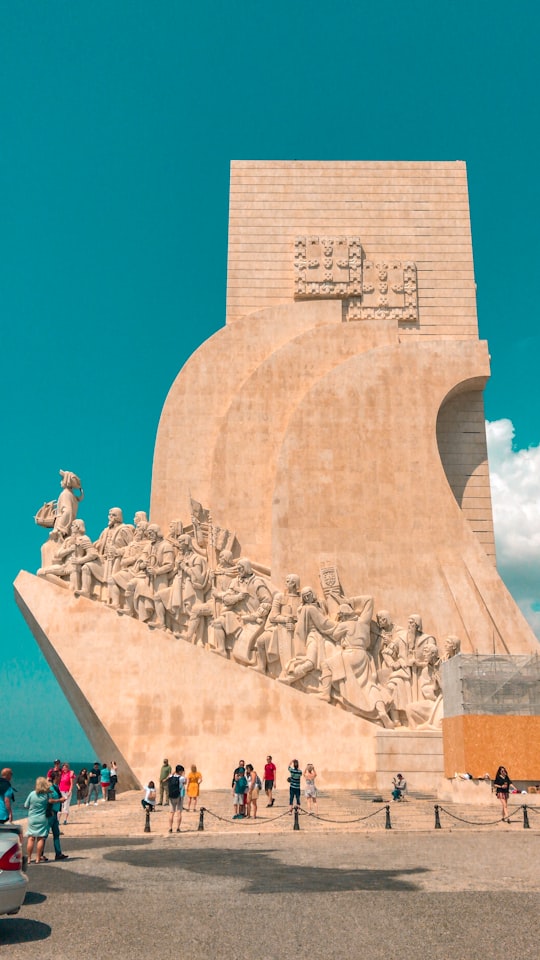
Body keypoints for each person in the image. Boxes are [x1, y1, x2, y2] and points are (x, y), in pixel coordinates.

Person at [24, 777, 53, 863]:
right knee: (40, 838)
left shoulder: (32, 794)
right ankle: (37, 858)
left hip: (32, 818)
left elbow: (26, 805)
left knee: (31, 838)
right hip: (42, 818)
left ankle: (29, 858)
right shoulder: (46, 796)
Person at [47, 771, 69, 861]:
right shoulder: (50, 788)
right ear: (55, 778)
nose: (61, 778)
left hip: (55, 813)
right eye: (59, 777)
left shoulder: (56, 787)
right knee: (44, 834)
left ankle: (58, 853)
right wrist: (59, 800)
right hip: (50, 813)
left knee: (56, 833)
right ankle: (40, 854)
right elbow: (49, 800)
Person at [167, 765, 187, 833]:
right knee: (179, 812)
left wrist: (173, 773)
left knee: (171, 813)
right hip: (179, 796)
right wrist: (183, 775)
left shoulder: (170, 777)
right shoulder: (181, 778)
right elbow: (185, 782)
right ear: (180, 771)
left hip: (171, 796)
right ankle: (178, 828)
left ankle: (170, 828)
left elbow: (168, 777)